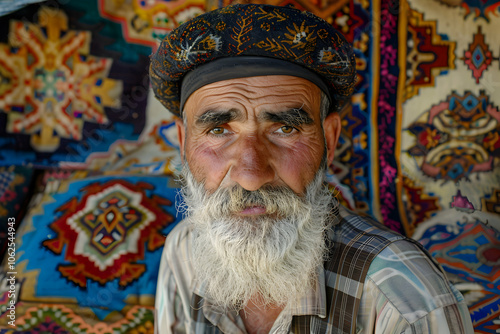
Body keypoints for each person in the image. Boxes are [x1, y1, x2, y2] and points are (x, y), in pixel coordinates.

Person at [150, 4, 474, 334]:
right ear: (182, 141)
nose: (250, 176)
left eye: (284, 129)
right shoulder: (184, 250)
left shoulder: (406, 302)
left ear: (329, 141)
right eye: (219, 130)